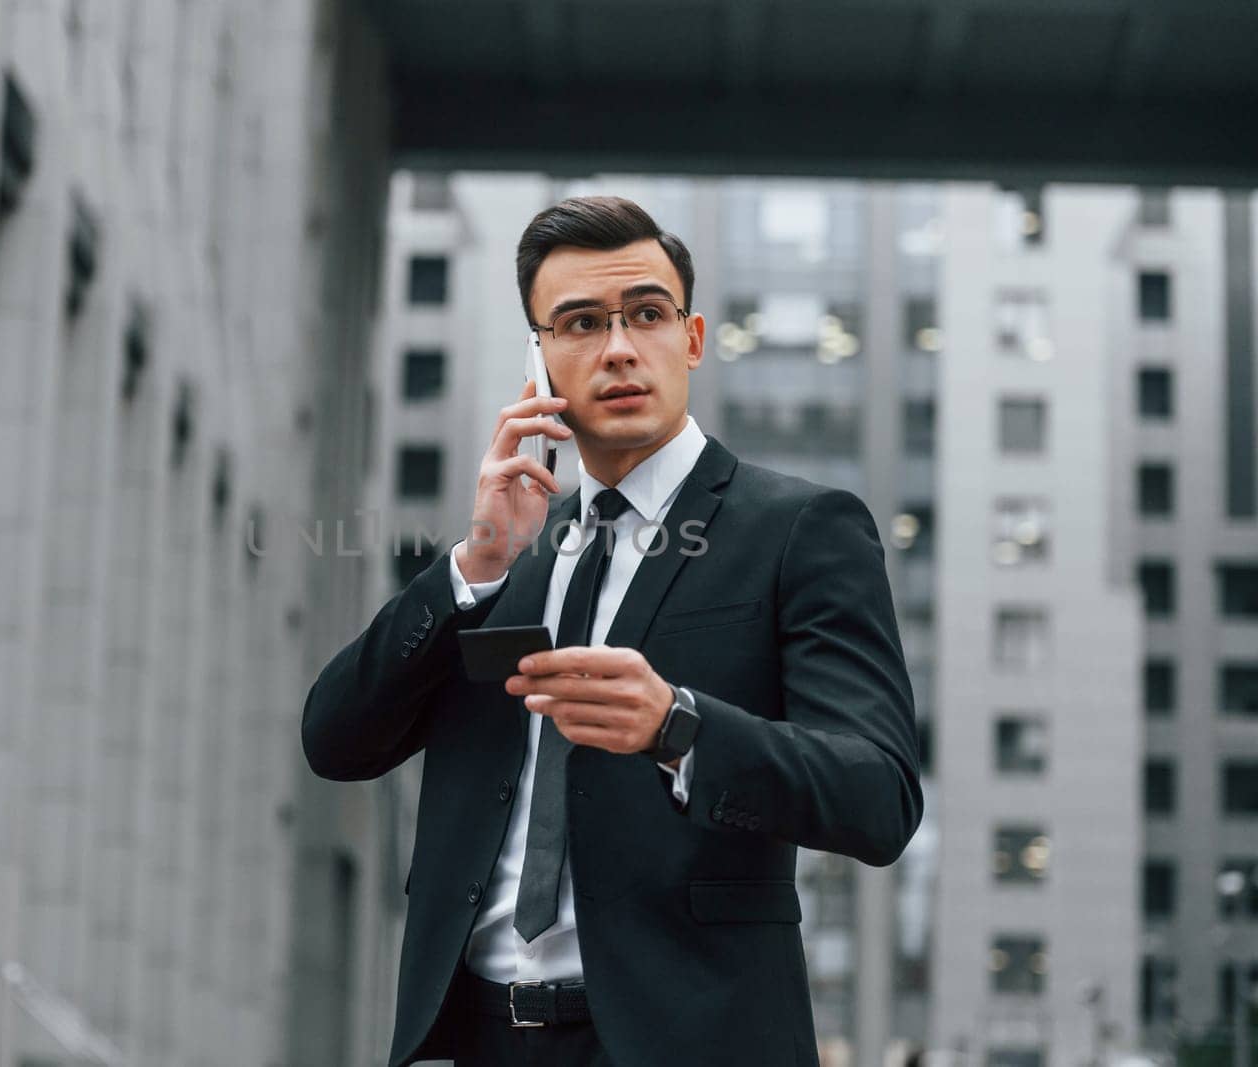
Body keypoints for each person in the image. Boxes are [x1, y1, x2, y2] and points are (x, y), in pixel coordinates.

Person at [303, 195, 923, 1066]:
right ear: (540, 357)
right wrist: (472, 565)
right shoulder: (508, 554)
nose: (621, 346)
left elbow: (880, 794)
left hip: (689, 1039)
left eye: (646, 314)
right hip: (477, 1038)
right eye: (582, 323)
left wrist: (680, 726)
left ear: (693, 338)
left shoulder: (801, 529)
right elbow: (335, 739)